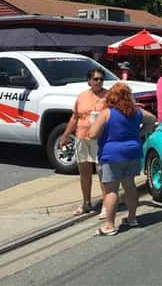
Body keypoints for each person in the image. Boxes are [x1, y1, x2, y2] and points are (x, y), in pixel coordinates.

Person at [89, 83, 156, 236]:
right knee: (130, 186)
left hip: (111, 155)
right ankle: (132, 218)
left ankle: (109, 225)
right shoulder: (137, 111)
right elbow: (152, 119)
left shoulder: (107, 113)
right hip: (132, 152)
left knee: (111, 190)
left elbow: (92, 134)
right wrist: (139, 133)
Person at [59, 68, 107, 217]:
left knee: (102, 172)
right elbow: (75, 117)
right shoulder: (82, 96)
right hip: (82, 137)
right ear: (89, 81)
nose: (98, 81)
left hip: (100, 139)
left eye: (101, 79)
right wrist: (65, 135)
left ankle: (106, 205)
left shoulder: (109, 96)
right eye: (95, 79)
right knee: (84, 173)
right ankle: (86, 203)